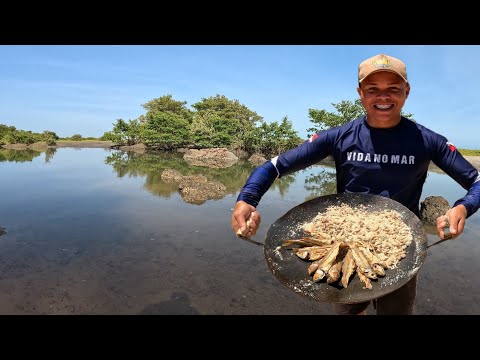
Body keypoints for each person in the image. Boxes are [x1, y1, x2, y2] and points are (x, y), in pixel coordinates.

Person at [231, 53, 480, 315]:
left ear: (406, 92)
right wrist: (247, 198)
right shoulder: (340, 136)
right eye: (373, 89)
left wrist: (463, 207)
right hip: (341, 245)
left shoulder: (429, 141)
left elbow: (476, 181)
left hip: (400, 249)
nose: (383, 97)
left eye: (393, 89)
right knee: (348, 310)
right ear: (360, 93)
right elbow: (273, 167)